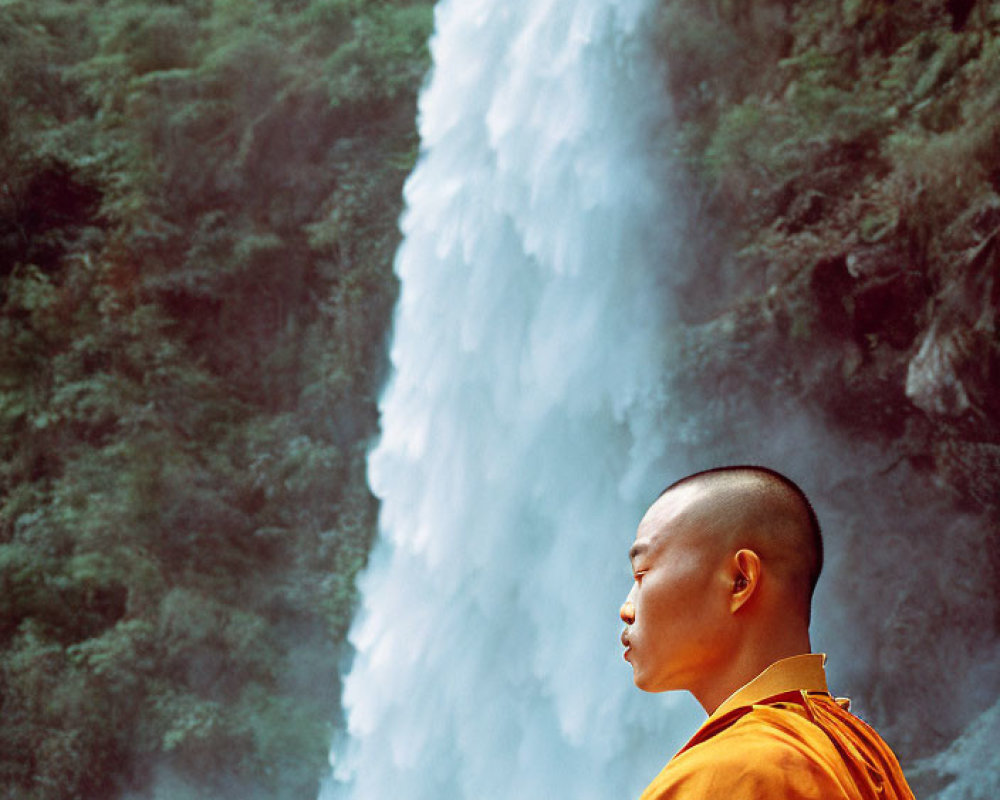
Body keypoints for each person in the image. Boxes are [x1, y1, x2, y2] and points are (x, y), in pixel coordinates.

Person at [620, 465, 914, 800]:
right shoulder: (864, 752)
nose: (626, 609)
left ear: (739, 581)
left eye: (642, 573)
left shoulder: (735, 770)